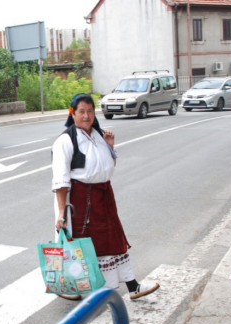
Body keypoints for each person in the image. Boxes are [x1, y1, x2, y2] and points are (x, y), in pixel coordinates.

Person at [51, 93, 160, 301]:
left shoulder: (99, 135)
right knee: (87, 246)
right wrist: (62, 212)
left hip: (103, 196)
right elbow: (61, 180)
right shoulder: (65, 141)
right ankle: (77, 288)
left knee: (113, 239)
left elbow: (105, 168)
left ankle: (132, 285)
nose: (86, 116)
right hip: (81, 201)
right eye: (81, 111)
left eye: (90, 111)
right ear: (72, 114)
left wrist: (109, 146)